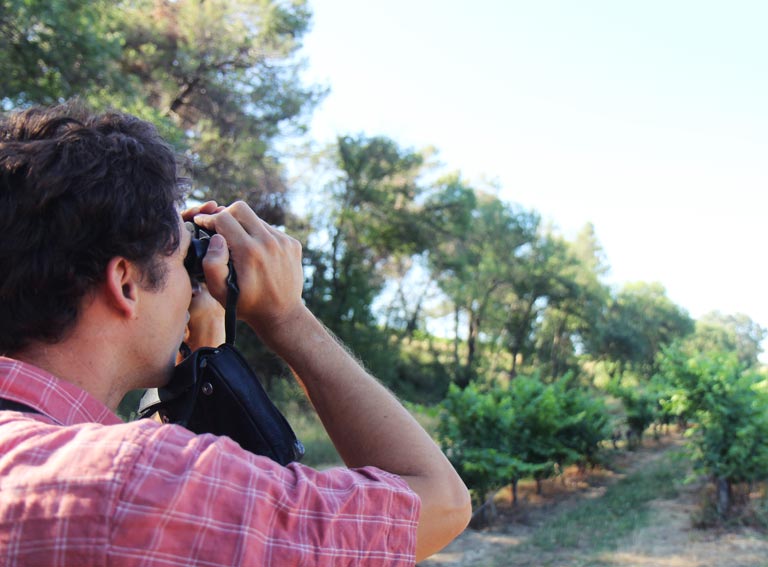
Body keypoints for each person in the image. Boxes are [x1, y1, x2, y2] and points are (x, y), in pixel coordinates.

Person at [0, 101, 471, 566]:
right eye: (186, 259)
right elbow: (440, 500)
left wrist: (198, 358)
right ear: (125, 283)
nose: (193, 283)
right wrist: (286, 317)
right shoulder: (139, 482)